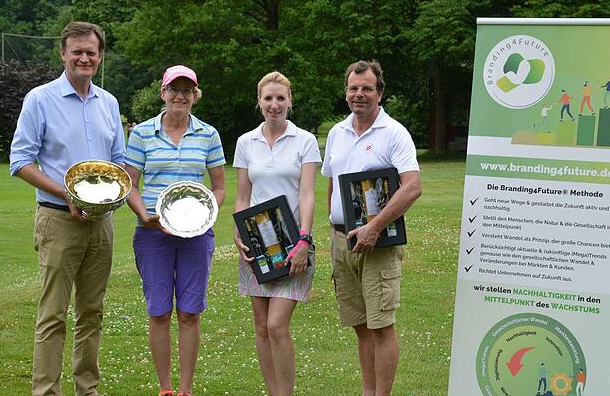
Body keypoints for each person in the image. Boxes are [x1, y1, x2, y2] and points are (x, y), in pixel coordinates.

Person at [9, 21, 125, 396]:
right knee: (53, 314)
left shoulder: (109, 102)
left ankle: (86, 389)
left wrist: (117, 195)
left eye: (91, 52)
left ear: (100, 55)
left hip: (101, 223)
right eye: (76, 51)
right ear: (62, 54)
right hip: (58, 220)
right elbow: (20, 161)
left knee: (92, 313)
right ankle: (46, 391)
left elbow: (119, 161)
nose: (84, 58)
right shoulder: (40, 99)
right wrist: (67, 194)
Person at [321, 60, 422, 396]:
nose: (359, 94)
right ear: (346, 92)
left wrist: (375, 226)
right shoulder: (336, 133)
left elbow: (412, 186)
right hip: (342, 241)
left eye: (366, 88)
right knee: (361, 327)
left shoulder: (394, 133)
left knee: (382, 326)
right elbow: (332, 185)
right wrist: (334, 225)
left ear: (380, 92)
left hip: (377, 244)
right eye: (353, 88)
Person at [124, 65, 226, 396]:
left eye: (187, 90)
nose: (180, 95)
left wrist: (204, 214)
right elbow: (131, 185)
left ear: (195, 95)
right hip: (152, 234)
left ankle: (185, 390)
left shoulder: (209, 134)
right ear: (163, 93)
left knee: (189, 312)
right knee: (159, 311)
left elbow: (220, 187)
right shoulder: (141, 134)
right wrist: (145, 215)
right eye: (174, 89)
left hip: (195, 236)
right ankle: (165, 389)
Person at [232, 71, 321, 396]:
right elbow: (243, 196)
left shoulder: (305, 140)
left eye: (280, 98)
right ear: (259, 101)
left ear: (289, 101)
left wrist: (304, 240)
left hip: (293, 245)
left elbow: (307, 194)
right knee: (261, 327)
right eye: (268, 98)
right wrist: (238, 233)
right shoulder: (246, 142)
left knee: (276, 325)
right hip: (256, 246)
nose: (274, 105)